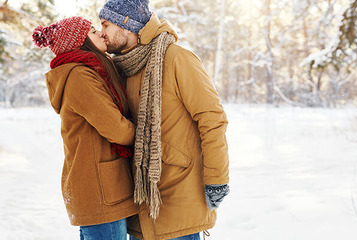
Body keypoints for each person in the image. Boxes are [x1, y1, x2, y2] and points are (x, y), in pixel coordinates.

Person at [99, 1, 230, 239]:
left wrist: (217, 180)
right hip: (139, 207)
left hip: (179, 203)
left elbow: (212, 120)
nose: (102, 33)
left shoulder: (177, 58)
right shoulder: (123, 68)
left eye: (105, 24)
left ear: (126, 24)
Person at [32, 16, 139, 240]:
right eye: (92, 32)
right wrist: (145, 135)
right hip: (99, 189)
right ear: (79, 43)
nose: (101, 33)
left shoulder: (93, 70)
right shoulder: (80, 76)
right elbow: (116, 128)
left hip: (104, 186)